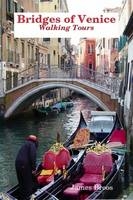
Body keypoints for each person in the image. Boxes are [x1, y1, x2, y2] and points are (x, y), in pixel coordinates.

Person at [15, 135, 38, 200]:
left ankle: (21, 197)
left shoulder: (24, 145)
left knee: (21, 182)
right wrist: (33, 169)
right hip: (24, 165)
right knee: (28, 183)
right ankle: (28, 197)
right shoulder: (32, 145)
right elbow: (32, 157)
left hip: (17, 164)